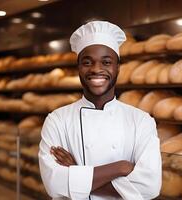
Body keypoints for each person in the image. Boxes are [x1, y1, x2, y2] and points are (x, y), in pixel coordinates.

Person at [38, 21, 162, 200]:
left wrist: (76, 174)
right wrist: (120, 168)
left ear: (117, 67)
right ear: (78, 68)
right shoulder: (57, 120)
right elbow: (54, 184)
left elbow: (149, 187)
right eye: (87, 62)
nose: (96, 69)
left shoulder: (141, 121)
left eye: (106, 62)